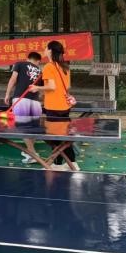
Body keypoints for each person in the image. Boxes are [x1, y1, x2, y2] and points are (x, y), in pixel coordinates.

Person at [30, 40, 78, 171]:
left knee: (55, 138)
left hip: (53, 107)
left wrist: (37, 88)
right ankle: (70, 163)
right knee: (63, 137)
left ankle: (59, 164)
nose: (44, 50)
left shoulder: (49, 67)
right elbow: (67, 86)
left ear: (50, 51)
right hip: (64, 106)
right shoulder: (65, 67)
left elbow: (51, 86)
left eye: (46, 48)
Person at [4, 51, 43, 164]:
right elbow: (41, 90)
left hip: (21, 99)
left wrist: (7, 94)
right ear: (38, 61)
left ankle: (32, 154)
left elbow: (13, 79)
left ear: (28, 58)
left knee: (24, 127)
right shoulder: (40, 71)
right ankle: (30, 152)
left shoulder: (20, 64)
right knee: (33, 128)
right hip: (35, 102)